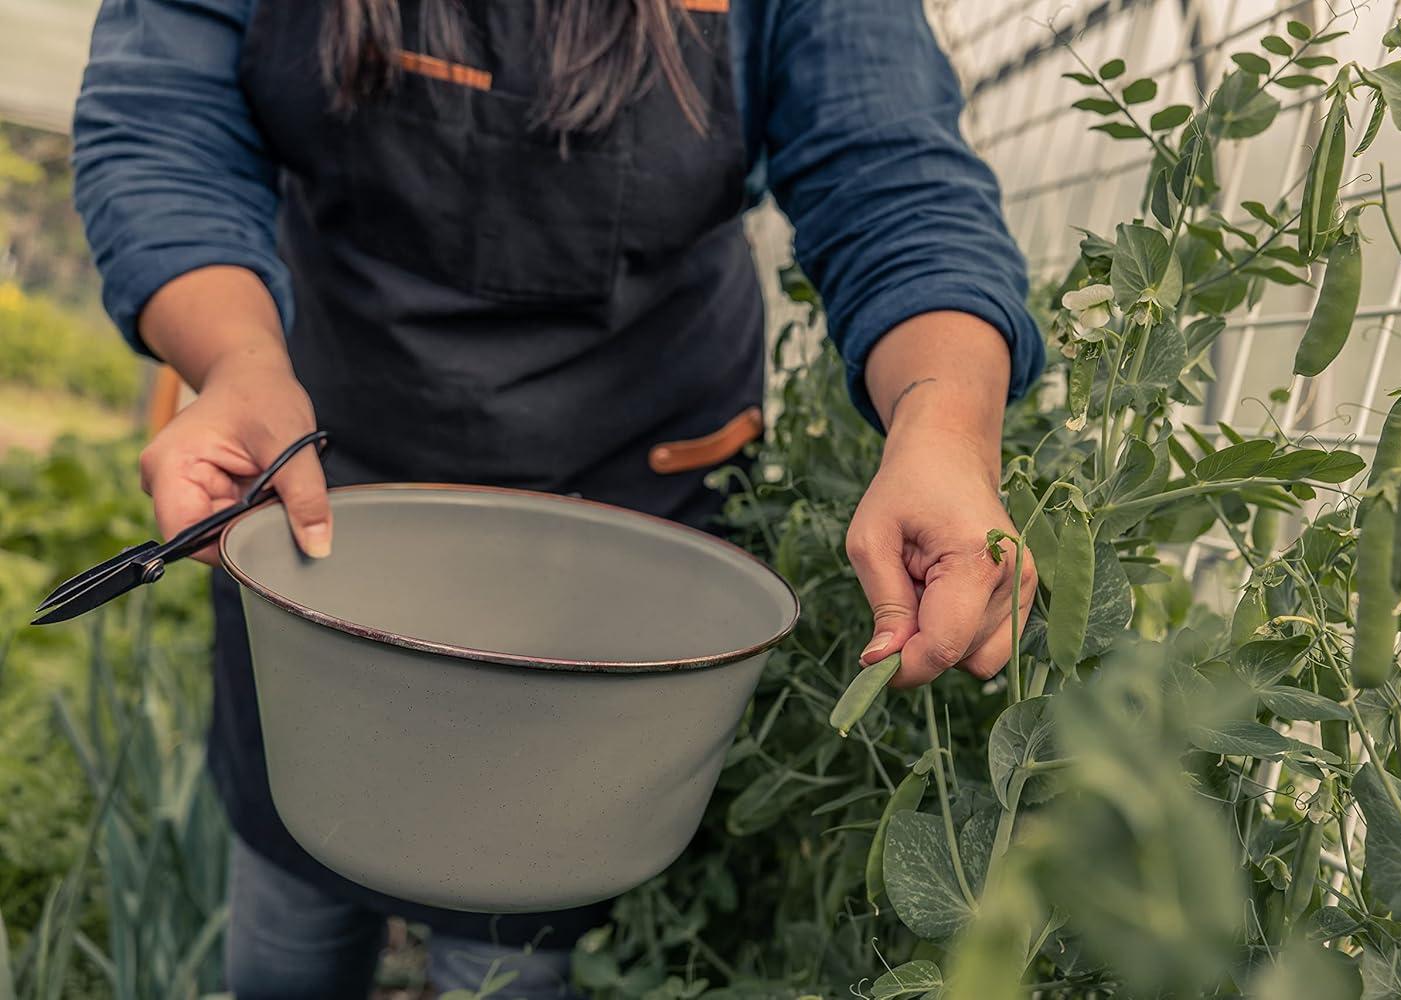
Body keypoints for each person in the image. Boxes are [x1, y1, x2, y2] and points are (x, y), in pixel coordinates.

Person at [71, 0, 1044, 995]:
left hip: (619, 521)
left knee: (519, 936)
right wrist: (235, 361)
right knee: (295, 898)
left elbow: (890, 174)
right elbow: (162, 122)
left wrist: (944, 424)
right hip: (325, 481)